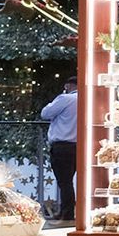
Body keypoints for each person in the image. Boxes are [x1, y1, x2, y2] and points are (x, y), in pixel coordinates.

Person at [41, 76, 79, 223]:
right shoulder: (87, 99)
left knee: (64, 182)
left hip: (62, 145)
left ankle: (67, 213)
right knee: (68, 181)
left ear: (68, 85)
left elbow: (45, 113)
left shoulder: (65, 98)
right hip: (78, 145)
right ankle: (66, 210)